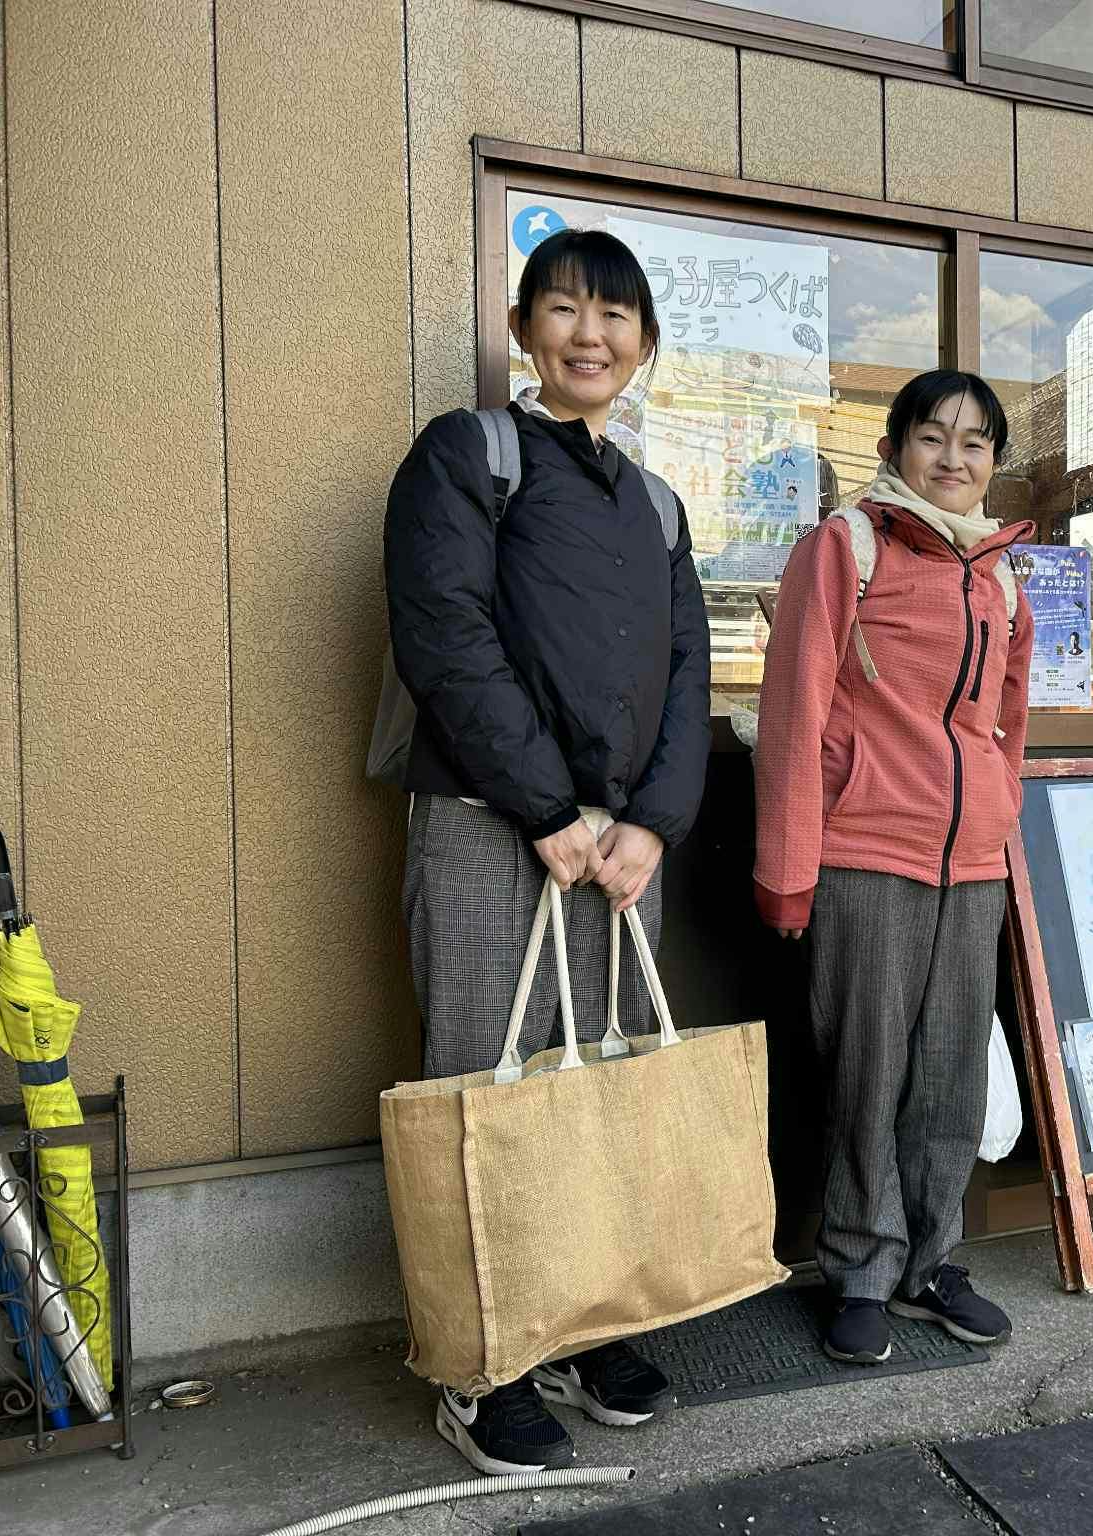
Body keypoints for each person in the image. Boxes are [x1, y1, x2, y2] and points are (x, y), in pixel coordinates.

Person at [384, 227, 710, 1473]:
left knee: (602, 1086)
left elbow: (687, 674)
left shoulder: (656, 501)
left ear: (644, 344)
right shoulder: (470, 454)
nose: (590, 334)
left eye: (615, 316)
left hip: (620, 850)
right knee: (487, 1093)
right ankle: (481, 1369)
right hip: (490, 825)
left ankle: (579, 1329)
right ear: (522, 329)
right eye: (564, 308)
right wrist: (548, 810)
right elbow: (446, 632)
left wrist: (652, 824)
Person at [753, 369, 1033, 1363]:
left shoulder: (1000, 574)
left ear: (993, 461)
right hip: (865, 850)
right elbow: (793, 710)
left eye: (974, 442)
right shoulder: (848, 545)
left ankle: (929, 1262)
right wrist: (787, 868)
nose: (953, 458)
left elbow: (1006, 725)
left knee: (950, 1074)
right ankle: (861, 1269)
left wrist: (997, 822)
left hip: (972, 865)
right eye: (932, 437)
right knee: (865, 1073)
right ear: (893, 447)